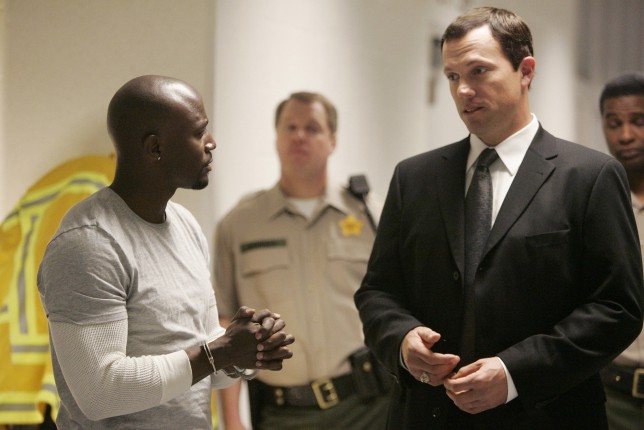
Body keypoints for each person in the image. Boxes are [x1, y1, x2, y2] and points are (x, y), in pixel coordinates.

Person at [354, 7, 644, 429]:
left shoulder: (589, 176)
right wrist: (401, 340)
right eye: (452, 76)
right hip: (426, 415)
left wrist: (514, 373)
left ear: (525, 71)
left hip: (544, 415)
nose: (463, 90)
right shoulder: (414, 178)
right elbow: (377, 291)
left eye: (478, 71)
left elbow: (617, 308)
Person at [37, 75, 294, 429]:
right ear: (155, 147)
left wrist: (245, 347)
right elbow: (99, 393)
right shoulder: (88, 244)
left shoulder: (185, 225)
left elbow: (201, 365)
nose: (212, 142)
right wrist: (220, 352)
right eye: (199, 132)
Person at [214, 91, 390, 429]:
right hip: (283, 413)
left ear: (333, 140)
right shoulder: (239, 224)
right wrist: (232, 421)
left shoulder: (371, 215)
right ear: (276, 138)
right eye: (290, 127)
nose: (299, 136)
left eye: (312, 128)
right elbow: (224, 326)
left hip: (368, 407)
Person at [598, 72, 644, 430]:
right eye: (614, 124)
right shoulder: (594, 203)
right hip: (613, 397)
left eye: (639, 121)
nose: (626, 135)